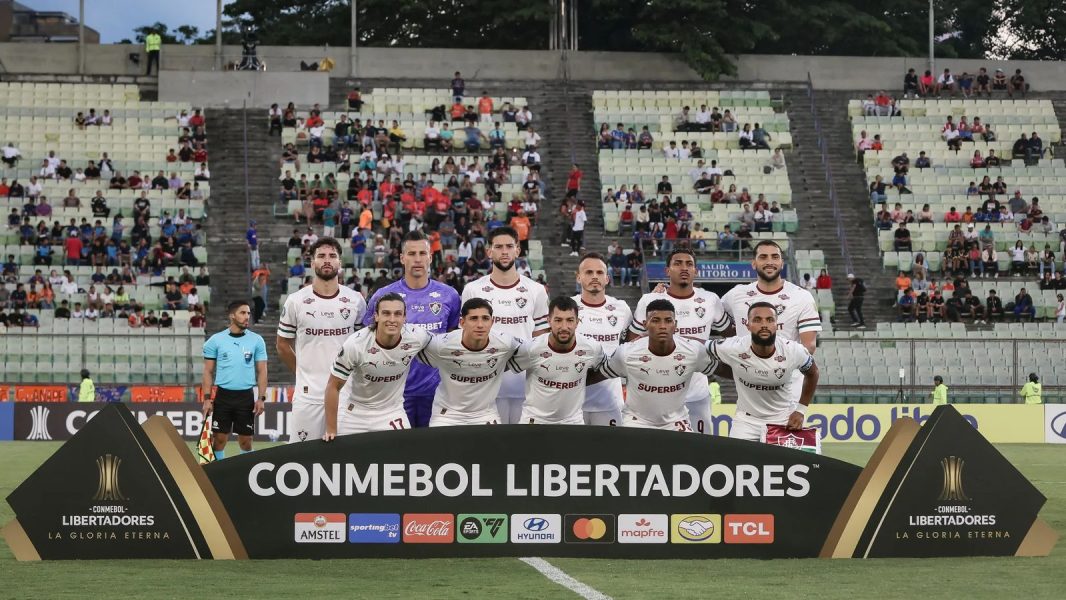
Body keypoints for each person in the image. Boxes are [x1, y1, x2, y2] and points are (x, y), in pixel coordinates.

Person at [363, 231, 461, 427]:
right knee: (398, 454)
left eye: (422, 253)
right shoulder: (383, 296)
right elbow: (367, 341)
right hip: (393, 393)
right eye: (411, 253)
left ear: (430, 257)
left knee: (434, 452)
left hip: (437, 392)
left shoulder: (449, 295)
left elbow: (453, 339)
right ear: (402, 258)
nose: (417, 259)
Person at [276, 238, 368, 443]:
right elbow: (282, 345)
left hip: (346, 394)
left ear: (340, 263)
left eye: (332, 256)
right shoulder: (296, 301)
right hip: (308, 395)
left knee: (344, 461)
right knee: (301, 461)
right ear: (312, 263)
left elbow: (363, 343)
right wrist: (301, 371)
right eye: (321, 256)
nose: (327, 260)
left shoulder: (355, 300)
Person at [630, 248, 730, 435]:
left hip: (697, 393)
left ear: (696, 270)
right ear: (667, 270)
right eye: (677, 263)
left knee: (701, 453)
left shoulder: (710, 300)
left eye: (689, 264)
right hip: (657, 393)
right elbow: (631, 343)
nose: (684, 268)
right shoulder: (650, 300)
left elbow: (732, 336)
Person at [460, 227, 549, 424]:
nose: (505, 251)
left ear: (518, 250)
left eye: (509, 246)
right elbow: (465, 339)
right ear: (489, 251)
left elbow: (542, 338)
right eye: (498, 247)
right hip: (485, 388)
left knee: (523, 450)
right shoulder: (473, 290)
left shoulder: (536, 291)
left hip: (526, 388)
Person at [721, 240, 821, 414]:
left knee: (780, 442)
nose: (769, 261)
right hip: (749, 394)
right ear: (754, 263)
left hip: (787, 394)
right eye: (763, 257)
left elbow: (809, 346)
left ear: (782, 263)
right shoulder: (737, 294)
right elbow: (710, 314)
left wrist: (775, 369)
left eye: (775, 257)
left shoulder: (801, 297)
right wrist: (664, 293)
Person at [592, 299, 716, 431]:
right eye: (656, 320)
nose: (662, 326)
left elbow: (721, 369)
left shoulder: (693, 351)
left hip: (676, 421)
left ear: (676, 325)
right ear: (645, 324)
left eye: (668, 321)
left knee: (688, 452)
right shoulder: (627, 353)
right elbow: (598, 375)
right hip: (637, 421)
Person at [322, 293, 434, 439]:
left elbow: (442, 349)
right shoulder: (356, 344)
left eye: (397, 314)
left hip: (391, 412)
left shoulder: (417, 337)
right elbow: (333, 386)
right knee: (342, 460)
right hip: (354, 413)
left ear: (404, 318)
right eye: (386, 313)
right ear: (376, 316)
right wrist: (331, 429)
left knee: (405, 457)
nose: (392, 319)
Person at [710, 303, 819, 441]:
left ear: (776, 325)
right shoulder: (734, 347)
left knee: (783, 463)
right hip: (746, 421)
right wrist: (711, 368)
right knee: (735, 462)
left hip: (782, 420)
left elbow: (813, 373)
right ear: (747, 325)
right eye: (757, 320)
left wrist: (801, 410)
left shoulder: (793, 351)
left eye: (770, 320)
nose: (764, 325)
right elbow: (699, 350)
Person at [416, 298, 523, 425]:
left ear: (492, 322)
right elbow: (412, 349)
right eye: (473, 318)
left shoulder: (506, 343)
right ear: (462, 322)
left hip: (485, 414)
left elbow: (533, 352)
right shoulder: (441, 345)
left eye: (485, 318)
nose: (480, 325)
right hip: (447, 414)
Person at [506, 296, 604, 424]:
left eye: (570, 320)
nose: (564, 327)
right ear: (549, 321)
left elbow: (606, 370)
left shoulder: (591, 347)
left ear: (577, 322)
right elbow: (504, 366)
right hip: (535, 421)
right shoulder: (531, 348)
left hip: (573, 422)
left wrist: (580, 379)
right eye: (558, 320)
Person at [571, 253, 633, 426]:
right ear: (578, 277)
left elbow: (632, 346)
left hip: (610, 402)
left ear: (607, 278)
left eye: (599, 273)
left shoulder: (622, 309)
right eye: (589, 272)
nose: (594, 277)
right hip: (573, 404)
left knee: (609, 453)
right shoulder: (568, 307)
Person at [202, 300, 268, 460]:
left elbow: (262, 370)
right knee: (218, 441)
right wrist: (206, 399)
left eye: (249, 313)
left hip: (245, 397)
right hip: (223, 397)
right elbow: (208, 371)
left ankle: (246, 476)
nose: (247, 317)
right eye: (243, 313)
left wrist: (261, 398)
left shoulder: (257, 340)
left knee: (246, 442)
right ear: (232, 316)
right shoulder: (215, 341)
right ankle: (220, 477)